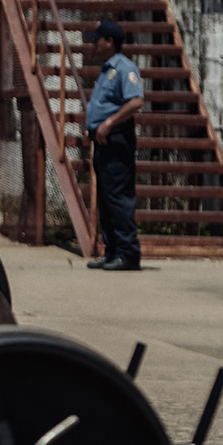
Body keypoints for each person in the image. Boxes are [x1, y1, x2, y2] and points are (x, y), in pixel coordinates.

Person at [83, 18, 144, 272]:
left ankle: (128, 253)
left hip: (117, 139)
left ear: (109, 41)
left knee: (118, 197)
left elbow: (136, 101)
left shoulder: (124, 68)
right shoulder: (107, 68)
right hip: (103, 142)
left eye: (98, 39)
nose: (94, 44)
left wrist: (108, 123)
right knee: (107, 200)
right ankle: (112, 251)